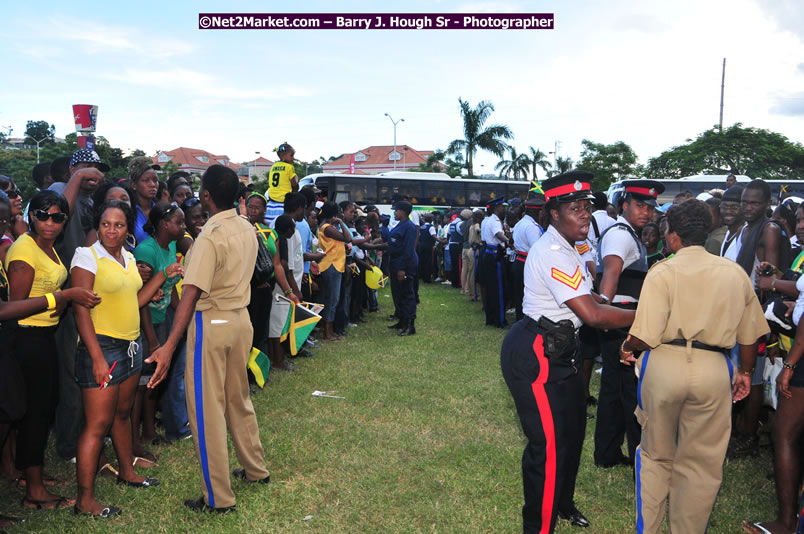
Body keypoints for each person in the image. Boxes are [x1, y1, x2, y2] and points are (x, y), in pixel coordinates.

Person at [619, 199, 768, 534]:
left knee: (655, 455)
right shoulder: (734, 273)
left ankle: (649, 529)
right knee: (701, 463)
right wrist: (745, 373)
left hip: (664, 365)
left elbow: (644, 334)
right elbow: (750, 335)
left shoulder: (663, 270)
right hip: (714, 368)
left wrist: (626, 348)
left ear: (672, 234)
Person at [500, 171, 636, 533]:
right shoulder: (552, 251)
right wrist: (648, 316)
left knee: (572, 433)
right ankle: (538, 527)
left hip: (563, 348)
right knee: (546, 446)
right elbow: (593, 315)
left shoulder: (572, 245)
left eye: (587, 207)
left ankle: (563, 503)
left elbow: (590, 297)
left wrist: (618, 304)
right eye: (575, 208)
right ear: (554, 213)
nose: (585, 215)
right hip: (537, 353)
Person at [146, 164, 271, 513]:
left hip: (211, 323)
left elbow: (191, 293)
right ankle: (255, 469)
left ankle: (218, 498)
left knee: (206, 411)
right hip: (240, 319)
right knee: (238, 398)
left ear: (205, 196)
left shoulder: (210, 236)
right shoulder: (246, 226)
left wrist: (169, 346)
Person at [71, 201, 179, 517]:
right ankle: (84, 501)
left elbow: (135, 301)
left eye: (118, 225)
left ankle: (127, 471)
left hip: (131, 346)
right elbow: (80, 310)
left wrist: (163, 275)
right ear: (98, 225)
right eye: (106, 224)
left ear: (128, 228)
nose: (111, 231)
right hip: (102, 348)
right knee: (97, 425)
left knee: (122, 414)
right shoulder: (87, 256)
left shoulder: (128, 257)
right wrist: (96, 357)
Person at [6, 190, 96, 510]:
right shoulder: (24, 250)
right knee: (35, 412)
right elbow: (14, 308)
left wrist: (58, 301)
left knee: (42, 409)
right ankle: (34, 490)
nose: (49, 222)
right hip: (25, 338)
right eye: (42, 215)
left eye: (57, 217)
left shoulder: (48, 246)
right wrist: (63, 297)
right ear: (31, 216)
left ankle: (29, 473)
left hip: (44, 335)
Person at [594, 179, 664, 468]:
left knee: (614, 390)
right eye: (639, 206)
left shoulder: (626, 234)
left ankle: (607, 453)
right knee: (629, 392)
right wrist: (604, 311)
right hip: (622, 322)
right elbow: (611, 272)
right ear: (623, 205)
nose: (646, 212)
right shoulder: (622, 236)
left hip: (618, 320)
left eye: (650, 208)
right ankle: (635, 454)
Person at [730, 179, 789, 458]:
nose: (748, 207)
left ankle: (749, 437)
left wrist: (768, 329)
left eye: (754, 203)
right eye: (745, 202)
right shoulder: (748, 228)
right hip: (743, 310)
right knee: (743, 372)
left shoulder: (769, 230)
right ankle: (742, 429)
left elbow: (771, 276)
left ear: (767, 203)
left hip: (757, 314)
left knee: (752, 377)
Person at [133, 201, 186, 450]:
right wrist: (153, 339)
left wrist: (182, 315)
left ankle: (150, 430)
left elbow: (170, 287)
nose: (184, 227)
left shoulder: (171, 245)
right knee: (141, 384)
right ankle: (138, 436)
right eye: (179, 222)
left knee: (155, 380)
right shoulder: (146, 251)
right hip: (146, 324)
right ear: (164, 224)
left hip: (162, 318)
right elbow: (141, 300)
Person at [317, 201, 352, 342]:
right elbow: (348, 238)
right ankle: (327, 332)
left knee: (333, 299)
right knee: (332, 299)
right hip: (330, 265)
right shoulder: (327, 228)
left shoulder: (330, 227)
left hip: (336, 265)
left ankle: (330, 331)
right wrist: (341, 222)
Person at [387, 200, 418, 336]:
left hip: (404, 263)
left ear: (402, 212)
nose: (394, 213)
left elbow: (408, 250)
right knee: (398, 293)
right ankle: (402, 320)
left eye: (396, 210)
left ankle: (410, 325)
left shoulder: (409, 227)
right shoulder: (400, 224)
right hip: (395, 262)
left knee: (407, 294)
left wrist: (403, 269)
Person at [511, 198, 545, 322]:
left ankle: (519, 319)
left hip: (519, 261)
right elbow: (537, 248)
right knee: (527, 295)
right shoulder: (531, 227)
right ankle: (524, 321)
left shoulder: (520, 223)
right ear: (537, 212)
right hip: (526, 262)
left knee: (519, 294)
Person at [482, 197, 511, 328]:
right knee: (499, 289)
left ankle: (491, 318)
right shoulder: (495, 221)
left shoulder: (489, 220)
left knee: (491, 288)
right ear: (496, 208)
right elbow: (498, 234)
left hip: (490, 254)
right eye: (502, 207)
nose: (504, 209)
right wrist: (509, 241)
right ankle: (500, 320)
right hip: (495, 256)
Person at [128, 157, 161, 245]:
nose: (152, 185)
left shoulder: (161, 209)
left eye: (155, 180)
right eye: (146, 180)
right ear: (134, 185)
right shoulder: (127, 210)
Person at [265, 143, 298, 226]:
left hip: (271, 200)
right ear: (283, 155)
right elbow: (294, 184)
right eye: (291, 155)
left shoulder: (273, 166)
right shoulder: (289, 167)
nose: (293, 158)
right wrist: (296, 179)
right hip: (283, 200)